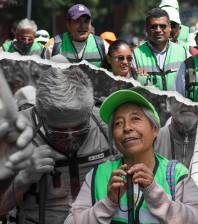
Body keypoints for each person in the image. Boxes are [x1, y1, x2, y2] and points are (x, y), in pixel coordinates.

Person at [64, 89, 198, 223]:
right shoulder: (98, 175)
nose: (127, 128)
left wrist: (157, 196)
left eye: (135, 119)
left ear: (155, 129)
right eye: (118, 123)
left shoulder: (175, 173)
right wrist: (108, 203)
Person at [0, 67, 116, 223]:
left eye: (79, 129)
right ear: (41, 115)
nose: (70, 138)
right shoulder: (14, 133)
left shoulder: (109, 124)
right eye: (59, 132)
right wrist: (25, 176)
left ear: (89, 111)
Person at [132, 8, 188, 91]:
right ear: (146, 29)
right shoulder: (135, 56)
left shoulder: (183, 53)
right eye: (153, 27)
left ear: (169, 27)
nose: (158, 30)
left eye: (162, 26)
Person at [43, 4, 109, 67]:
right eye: (78, 21)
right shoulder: (52, 46)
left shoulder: (103, 46)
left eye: (86, 21)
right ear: (68, 24)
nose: (83, 26)